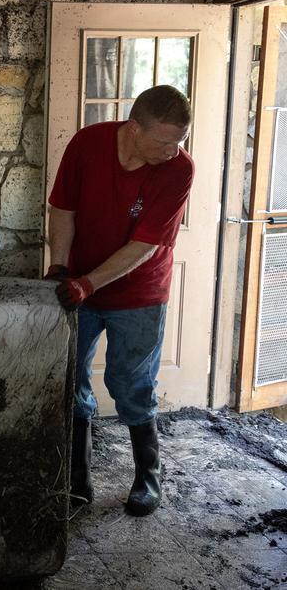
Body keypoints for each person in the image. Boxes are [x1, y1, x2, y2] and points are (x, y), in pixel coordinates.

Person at [45, 85, 194, 517]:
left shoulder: (178, 169)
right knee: (70, 380)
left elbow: (146, 244)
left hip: (139, 291)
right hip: (79, 284)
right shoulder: (87, 144)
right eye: (164, 141)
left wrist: (88, 284)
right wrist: (59, 267)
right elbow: (62, 208)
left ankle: (148, 477)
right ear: (134, 127)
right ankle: (77, 482)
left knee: (130, 385)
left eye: (179, 141)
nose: (173, 150)